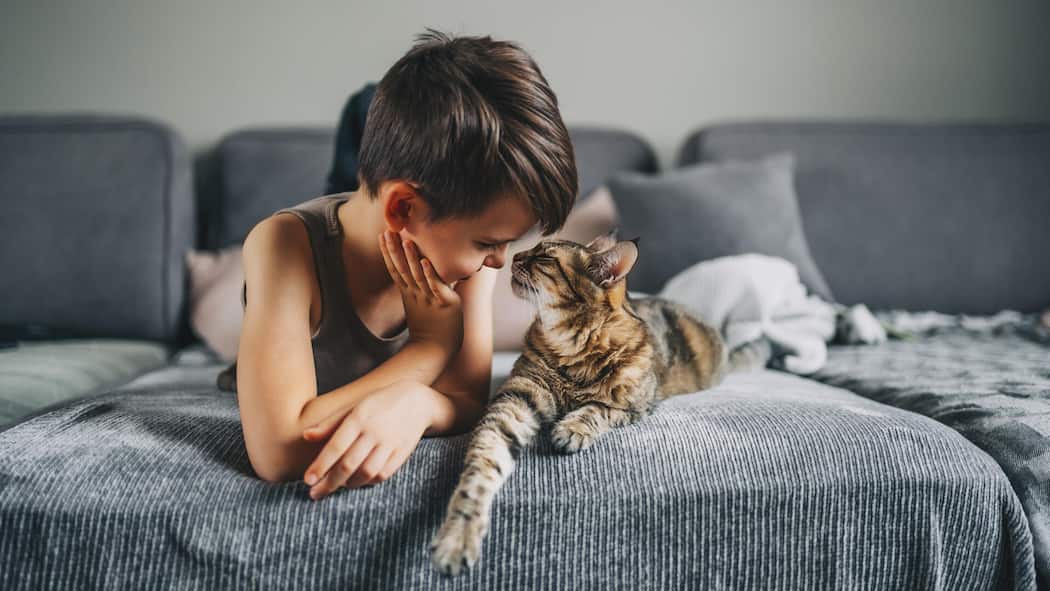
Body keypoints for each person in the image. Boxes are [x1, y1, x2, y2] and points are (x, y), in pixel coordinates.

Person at [234, 28, 579, 500]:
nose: (499, 261)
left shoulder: (475, 264)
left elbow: (467, 397)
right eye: (487, 242)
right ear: (403, 208)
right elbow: (278, 453)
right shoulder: (283, 246)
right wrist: (429, 349)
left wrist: (417, 404)